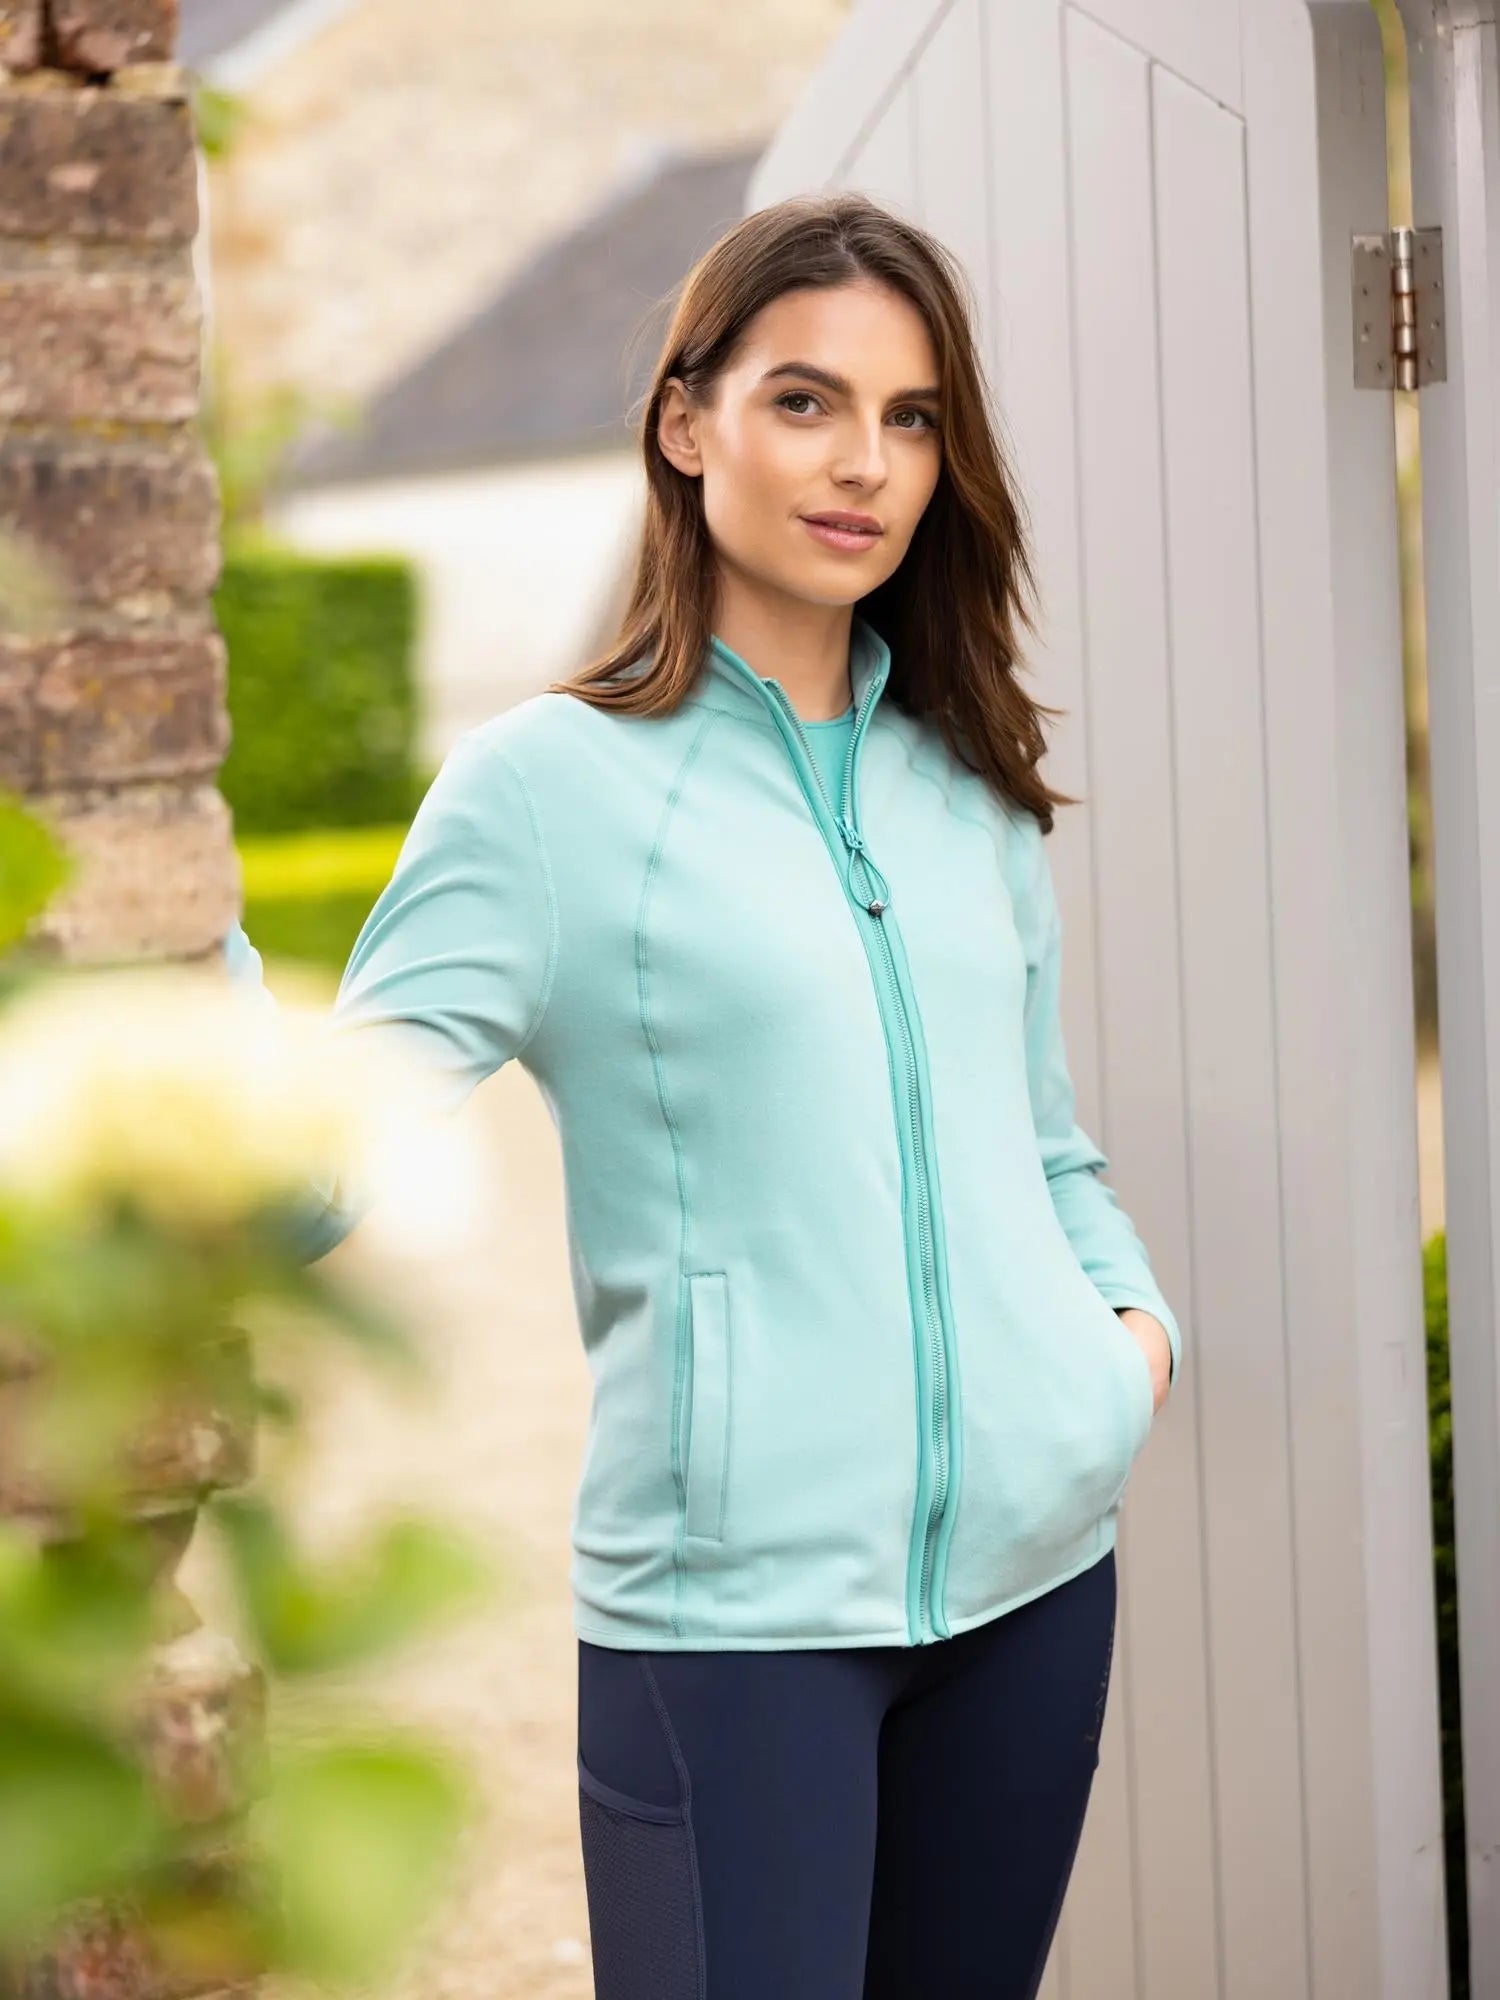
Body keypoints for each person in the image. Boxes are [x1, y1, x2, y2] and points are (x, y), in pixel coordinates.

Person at [225, 191, 1181, 2000]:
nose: (866, 464)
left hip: (1039, 1587)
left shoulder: (965, 782)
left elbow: (1046, 1147)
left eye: (911, 418)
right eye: (805, 401)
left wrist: (1124, 1348)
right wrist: (183, 953)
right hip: (734, 1632)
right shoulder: (543, 790)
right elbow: (319, 1160)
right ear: (687, 423)